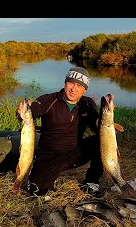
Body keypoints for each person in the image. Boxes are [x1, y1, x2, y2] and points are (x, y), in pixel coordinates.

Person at [17, 67, 105, 197]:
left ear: (85, 89)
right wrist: (21, 113)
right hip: (49, 156)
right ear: (65, 83)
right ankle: (40, 173)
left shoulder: (87, 103)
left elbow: (95, 125)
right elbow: (30, 113)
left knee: (102, 140)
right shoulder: (49, 100)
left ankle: (91, 181)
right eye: (71, 83)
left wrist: (105, 121)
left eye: (79, 85)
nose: (74, 89)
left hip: (74, 153)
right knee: (36, 192)